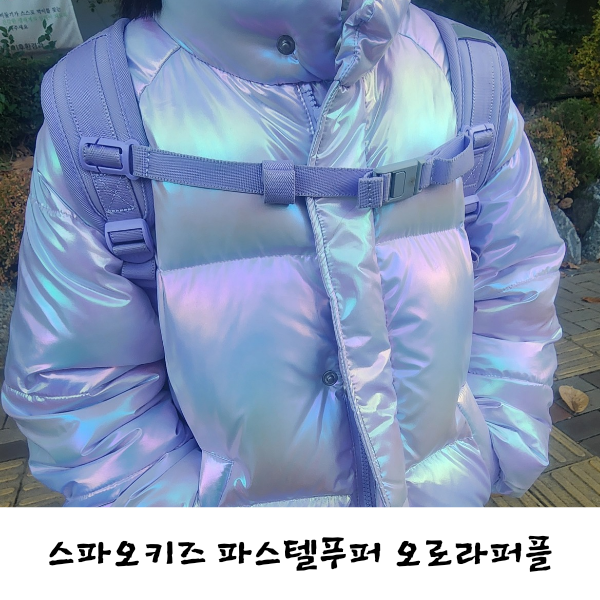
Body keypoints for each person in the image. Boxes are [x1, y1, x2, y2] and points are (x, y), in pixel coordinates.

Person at [0, 0, 564, 507]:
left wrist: (488, 449)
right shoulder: (101, 110)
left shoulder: (465, 77)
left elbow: (516, 288)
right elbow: (80, 389)